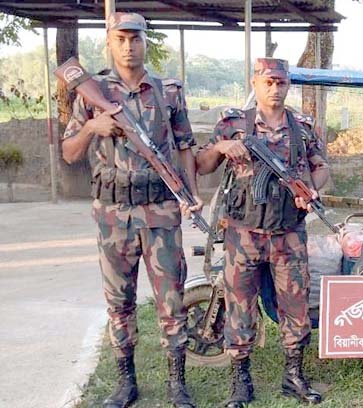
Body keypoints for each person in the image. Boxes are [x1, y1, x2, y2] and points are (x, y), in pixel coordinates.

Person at [61, 12, 201, 408]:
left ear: (144, 42)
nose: (128, 46)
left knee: (172, 300)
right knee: (119, 303)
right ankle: (126, 384)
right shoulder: (92, 92)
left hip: (160, 211)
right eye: (120, 39)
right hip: (113, 214)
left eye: (135, 39)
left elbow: (185, 147)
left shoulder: (168, 91)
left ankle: (177, 385)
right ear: (109, 42)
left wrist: (191, 195)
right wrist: (92, 128)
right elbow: (69, 153)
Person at [196, 57, 330, 406]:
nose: (274, 89)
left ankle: (293, 375)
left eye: (280, 83)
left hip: (288, 233)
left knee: (295, 306)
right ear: (254, 84)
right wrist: (222, 147)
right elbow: (202, 164)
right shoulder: (233, 123)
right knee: (239, 306)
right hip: (243, 234)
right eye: (268, 82)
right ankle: (241, 382)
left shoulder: (302, 126)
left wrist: (310, 190)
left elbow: (321, 167)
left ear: (288, 85)